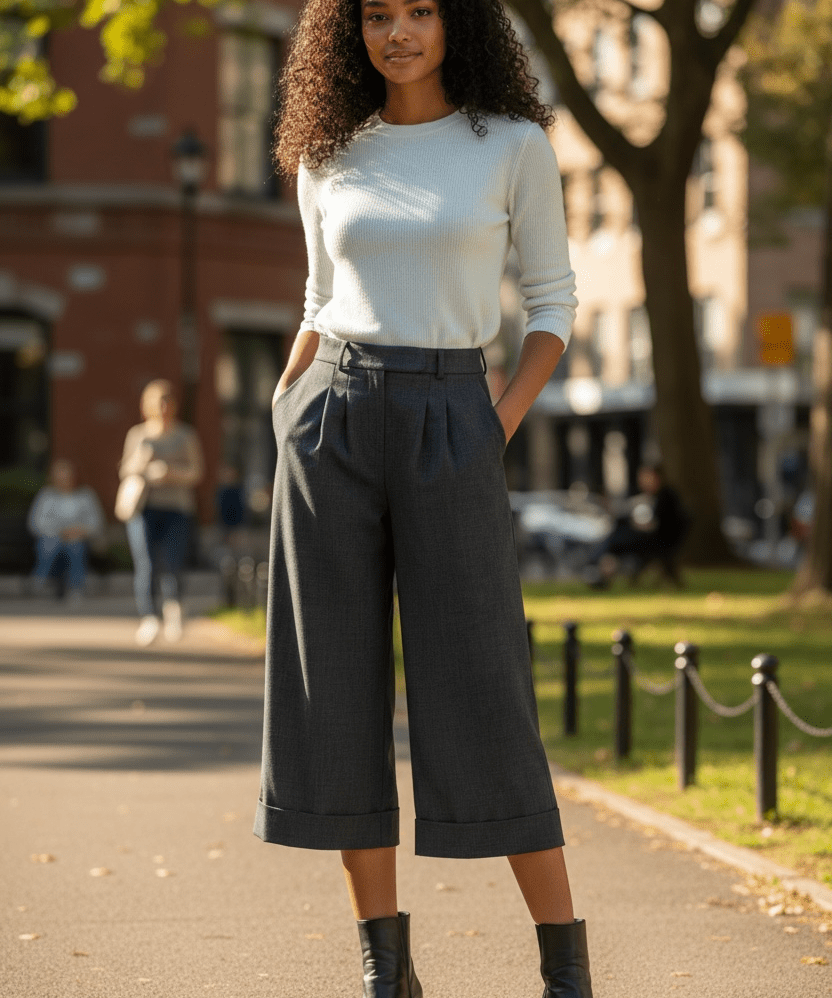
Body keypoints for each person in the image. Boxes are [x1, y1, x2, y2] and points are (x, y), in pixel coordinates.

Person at [256, 1, 592, 996]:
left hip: (455, 408)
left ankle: (565, 966)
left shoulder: (512, 145)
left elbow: (553, 302)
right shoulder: (329, 151)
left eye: (418, 10)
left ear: (458, 23)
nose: (394, 31)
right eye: (374, 14)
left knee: (484, 687)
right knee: (335, 697)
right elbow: (319, 298)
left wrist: (494, 420)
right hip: (331, 420)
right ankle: (385, 967)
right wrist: (286, 407)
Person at [119, 380, 203, 646]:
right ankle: (149, 618)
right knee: (146, 564)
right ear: (148, 406)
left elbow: (196, 472)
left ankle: (174, 610)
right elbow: (125, 470)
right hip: (144, 507)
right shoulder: (138, 435)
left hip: (176, 508)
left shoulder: (185, 435)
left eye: (168, 401)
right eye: (159, 402)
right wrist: (142, 463)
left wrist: (171, 473)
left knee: (173, 563)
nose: (164, 407)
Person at [583, 463, 689, 588]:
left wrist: (637, 525)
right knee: (617, 534)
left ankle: (599, 571)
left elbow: (659, 526)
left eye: (646, 477)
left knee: (616, 537)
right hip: (656, 540)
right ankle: (600, 571)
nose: (643, 482)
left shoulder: (665, 496)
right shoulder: (657, 496)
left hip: (657, 542)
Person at [27, 458, 104, 603]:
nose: (64, 480)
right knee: (51, 544)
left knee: (75, 545)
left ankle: (75, 587)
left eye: (67, 476)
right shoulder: (46, 496)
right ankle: (41, 581)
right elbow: (36, 523)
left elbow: (96, 524)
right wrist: (60, 531)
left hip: (80, 539)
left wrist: (80, 531)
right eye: (60, 477)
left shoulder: (86, 496)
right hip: (51, 539)